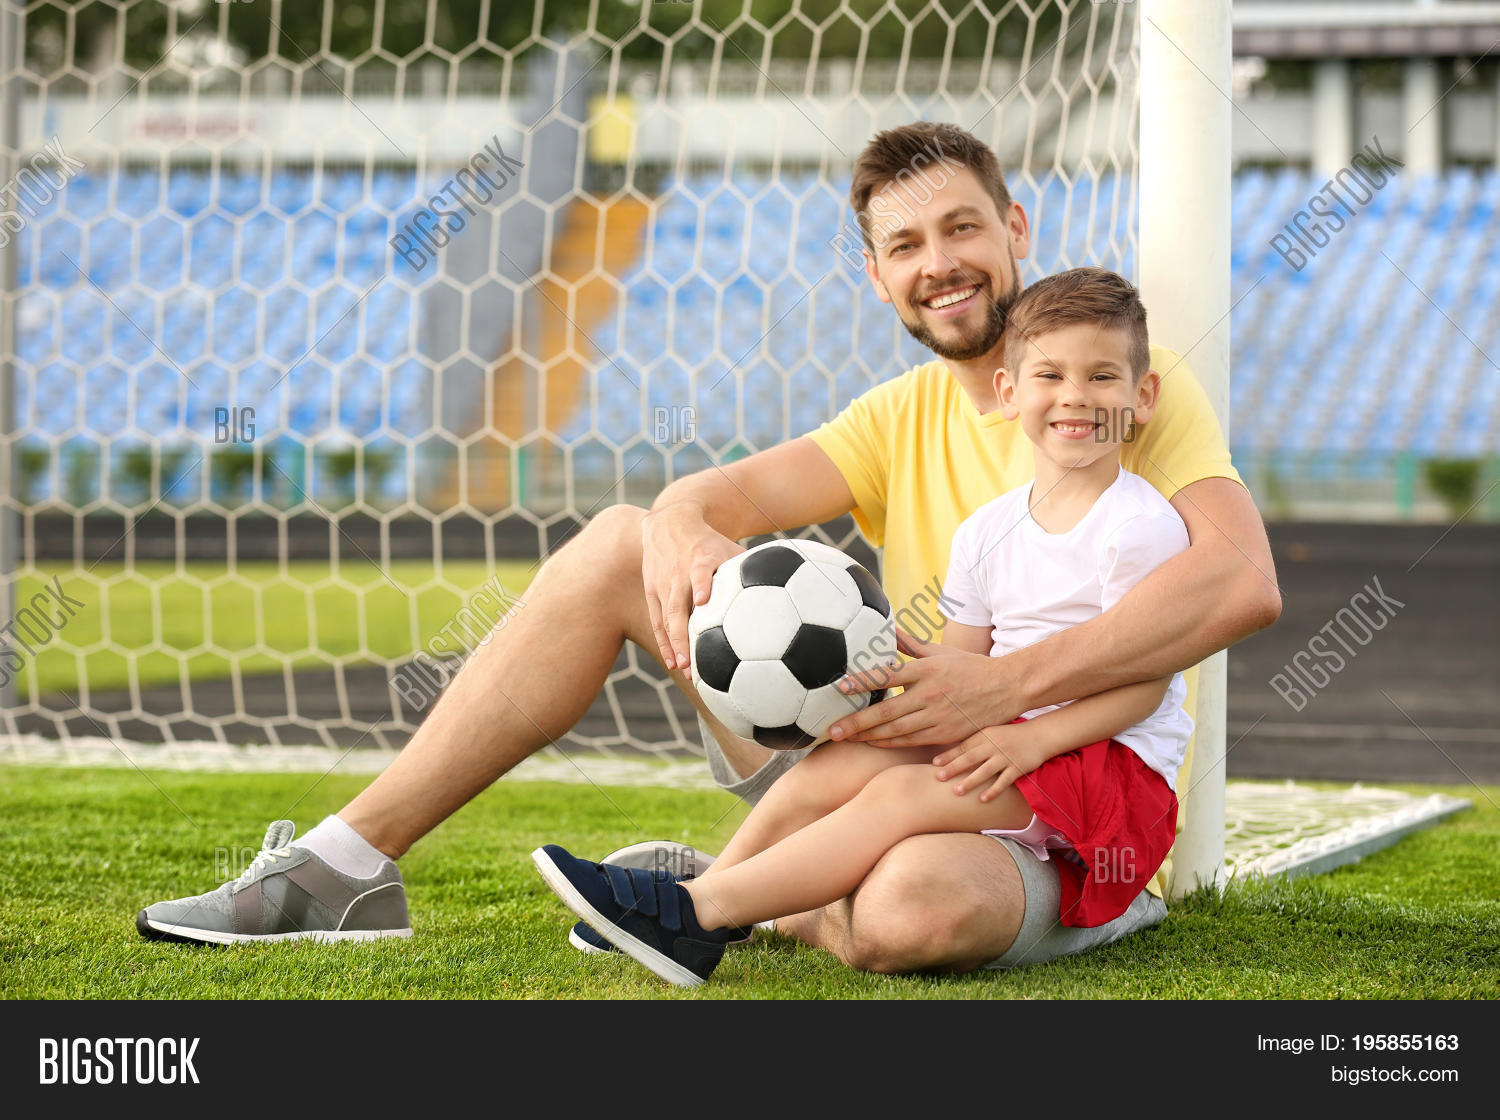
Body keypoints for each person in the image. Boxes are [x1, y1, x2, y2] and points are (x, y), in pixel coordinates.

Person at [136, 122, 1279, 974]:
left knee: (905, 915)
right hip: (893, 750)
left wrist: (1005, 690)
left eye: (963, 227)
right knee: (618, 540)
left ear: (1015, 229)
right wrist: (683, 514)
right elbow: (716, 494)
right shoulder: (895, 418)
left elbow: (1239, 581)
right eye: (906, 243)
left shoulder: (1113, 392)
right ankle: (344, 865)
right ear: (876, 273)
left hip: (1064, 791)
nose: (941, 261)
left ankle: (729, 892)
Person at [531, 268, 1195, 985]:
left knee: (898, 796)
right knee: (836, 766)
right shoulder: (985, 531)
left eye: (1102, 376)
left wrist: (1030, 739)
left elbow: (1146, 686)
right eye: (1050, 375)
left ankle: (694, 912)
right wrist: (885, 703)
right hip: (1009, 744)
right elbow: (958, 676)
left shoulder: (1138, 527)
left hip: (1107, 771)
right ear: (1009, 392)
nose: (1075, 396)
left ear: (1142, 397)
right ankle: (718, 896)